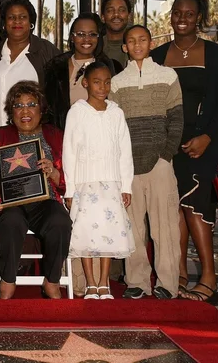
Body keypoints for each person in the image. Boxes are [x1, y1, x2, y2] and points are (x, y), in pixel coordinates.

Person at [151, 0, 218, 305]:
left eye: (188, 13)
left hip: (202, 141)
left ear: (199, 16)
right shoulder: (157, 55)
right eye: (176, 12)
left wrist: (208, 137)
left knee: (194, 206)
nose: (181, 18)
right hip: (167, 143)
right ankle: (179, 275)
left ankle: (210, 280)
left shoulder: (215, 55)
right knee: (172, 207)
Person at [0, 81, 72, 299]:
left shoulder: (56, 135)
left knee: (61, 222)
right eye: (18, 105)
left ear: (42, 108)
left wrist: (56, 174)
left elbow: (72, 176)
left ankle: (52, 280)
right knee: (11, 221)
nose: (25, 111)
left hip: (45, 201)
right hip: (12, 203)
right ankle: (8, 280)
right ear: (11, 111)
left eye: (31, 104)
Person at [109, 25, 183, 299]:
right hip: (128, 167)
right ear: (125, 47)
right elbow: (115, 127)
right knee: (132, 227)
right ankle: (137, 282)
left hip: (160, 164)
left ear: (150, 43)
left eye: (142, 39)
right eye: (132, 41)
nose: (137, 44)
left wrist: (166, 156)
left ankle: (168, 284)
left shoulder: (167, 76)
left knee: (165, 227)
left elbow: (177, 119)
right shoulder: (117, 82)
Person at [63, 62, 134, 300]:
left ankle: (104, 283)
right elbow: (69, 151)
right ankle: (90, 283)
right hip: (85, 183)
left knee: (108, 233)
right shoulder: (77, 111)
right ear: (85, 83)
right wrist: (70, 189)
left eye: (107, 82)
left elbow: (125, 151)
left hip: (111, 183)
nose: (102, 87)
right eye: (96, 81)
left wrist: (125, 185)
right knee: (86, 233)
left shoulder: (116, 112)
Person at [0, 0, 60, 128]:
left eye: (22, 17)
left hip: (31, 140)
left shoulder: (46, 52)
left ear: (31, 22)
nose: (17, 21)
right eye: (11, 17)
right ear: (4, 23)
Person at [44, 12, 123, 131]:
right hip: (65, 137)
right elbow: (49, 110)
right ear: (72, 37)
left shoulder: (112, 67)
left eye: (92, 34)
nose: (87, 39)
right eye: (80, 34)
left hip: (102, 135)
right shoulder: (54, 68)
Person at [101, 0, 131, 67]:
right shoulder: (95, 47)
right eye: (110, 10)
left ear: (129, 16)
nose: (116, 14)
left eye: (121, 10)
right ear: (103, 17)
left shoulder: (138, 48)